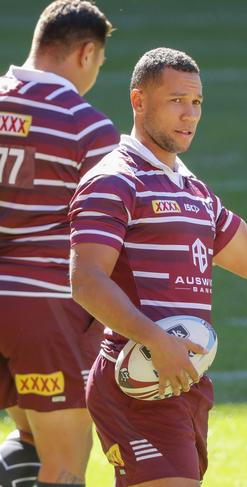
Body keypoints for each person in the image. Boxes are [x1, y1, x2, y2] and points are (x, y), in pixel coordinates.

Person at [67, 47, 247, 486]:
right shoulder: (113, 180)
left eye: (197, 103)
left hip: (182, 382)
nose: (189, 114)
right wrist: (155, 339)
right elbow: (86, 280)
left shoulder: (195, 193)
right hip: (137, 380)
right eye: (176, 101)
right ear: (138, 101)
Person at [0, 1, 118, 485]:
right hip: (42, 311)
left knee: (27, 436)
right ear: (86, 53)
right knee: (65, 463)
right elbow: (115, 230)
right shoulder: (87, 126)